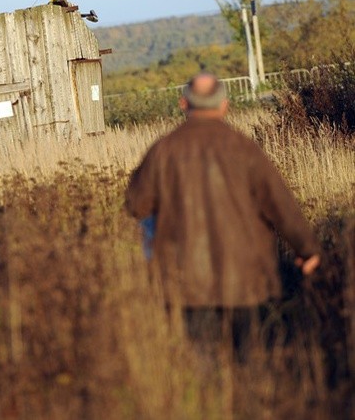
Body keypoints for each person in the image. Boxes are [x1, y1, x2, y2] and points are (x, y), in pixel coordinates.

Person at [125, 72, 321, 357]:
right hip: (246, 278)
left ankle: (211, 401)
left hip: (187, 280)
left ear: (183, 104)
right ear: (224, 105)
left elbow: (136, 205)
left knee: (203, 364)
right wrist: (307, 248)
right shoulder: (244, 148)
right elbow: (280, 206)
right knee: (248, 359)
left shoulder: (163, 151)